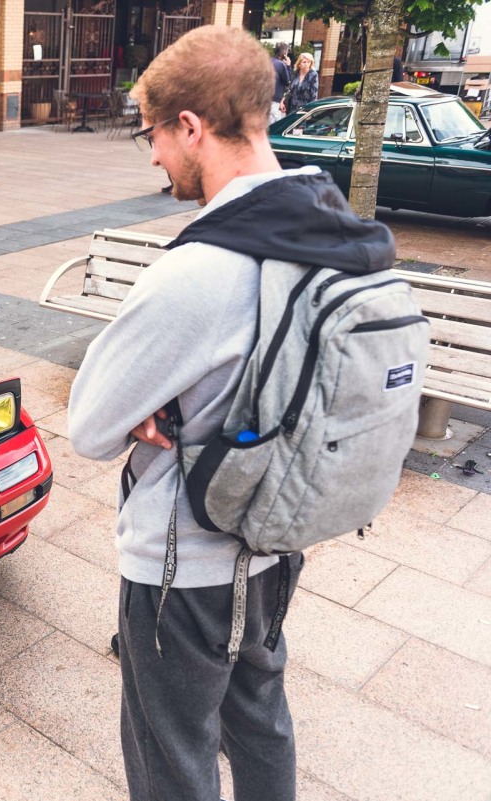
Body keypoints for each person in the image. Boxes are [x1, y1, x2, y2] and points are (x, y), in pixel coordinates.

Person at [72, 24, 395, 801]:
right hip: (276, 549)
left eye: (152, 134)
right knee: (259, 722)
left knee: (171, 754)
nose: (152, 156)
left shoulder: (200, 269)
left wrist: (155, 404)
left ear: (191, 126)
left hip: (182, 570)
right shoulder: (333, 232)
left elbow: (88, 425)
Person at [270, 43, 291, 122]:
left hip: (265, 97)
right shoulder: (280, 64)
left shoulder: (269, 61)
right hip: (275, 98)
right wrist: (288, 66)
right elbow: (287, 81)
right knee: (274, 124)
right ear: (284, 53)